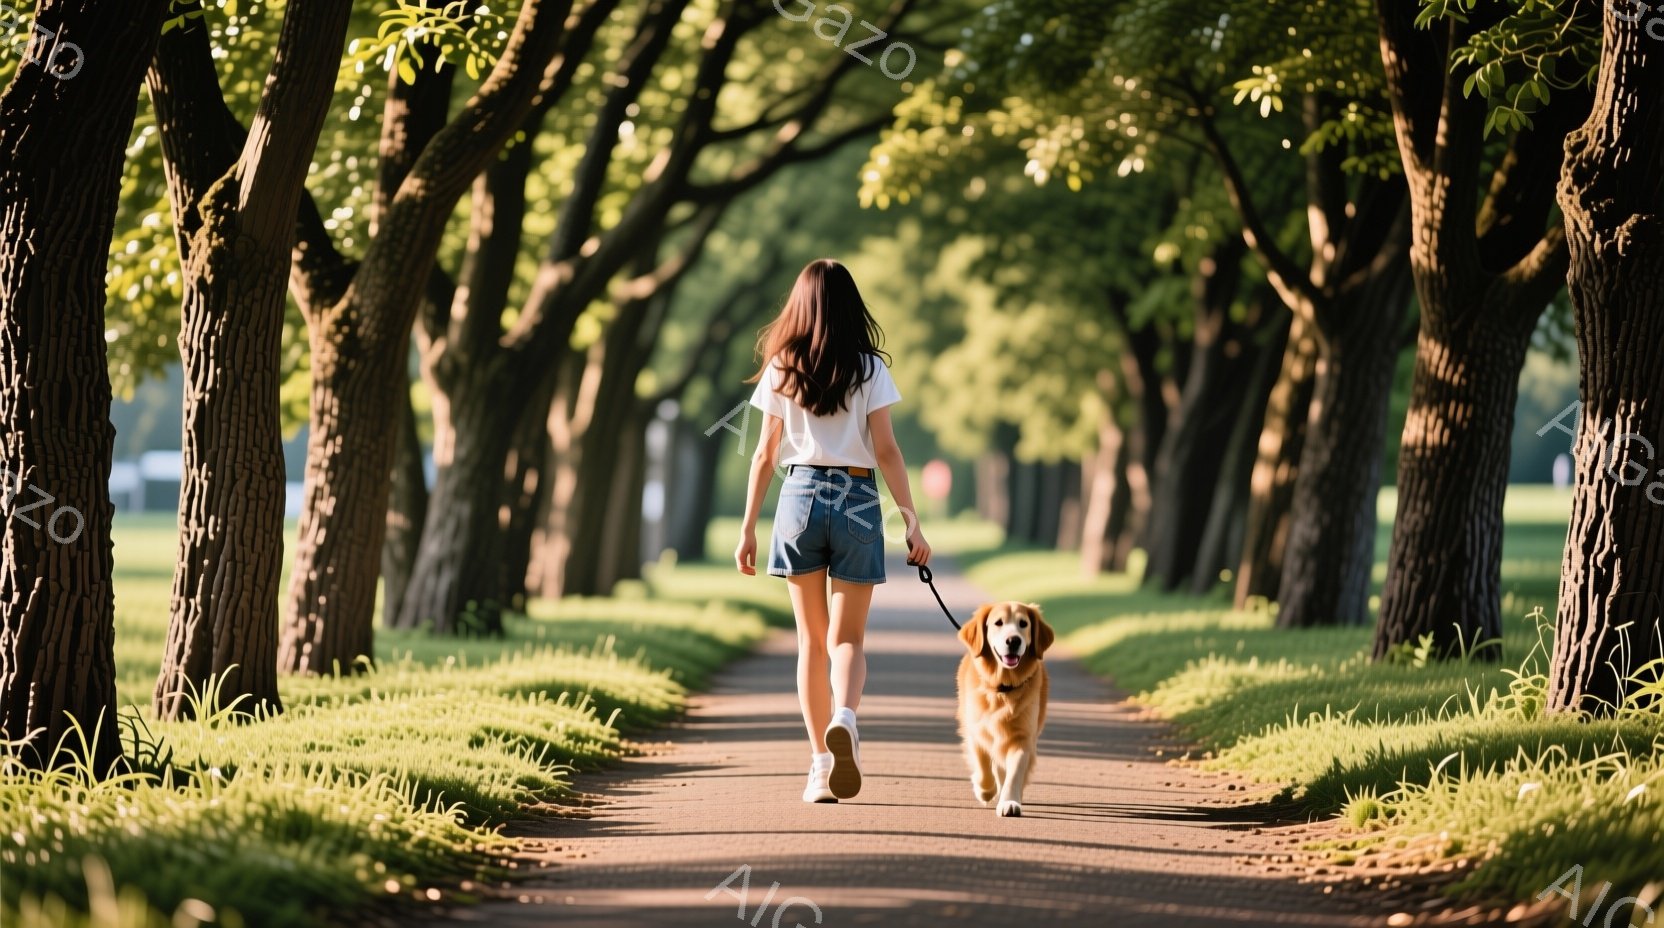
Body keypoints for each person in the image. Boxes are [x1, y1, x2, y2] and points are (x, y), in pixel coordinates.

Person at [735, 258, 932, 803]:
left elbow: (764, 454)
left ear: (798, 305)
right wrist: (911, 522)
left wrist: (748, 528)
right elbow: (888, 450)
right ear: (851, 306)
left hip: (798, 497)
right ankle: (844, 717)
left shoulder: (782, 365)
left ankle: (821, 767)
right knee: (848, 640)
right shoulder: (869, 368)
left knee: (811, 643)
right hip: (858, 498)